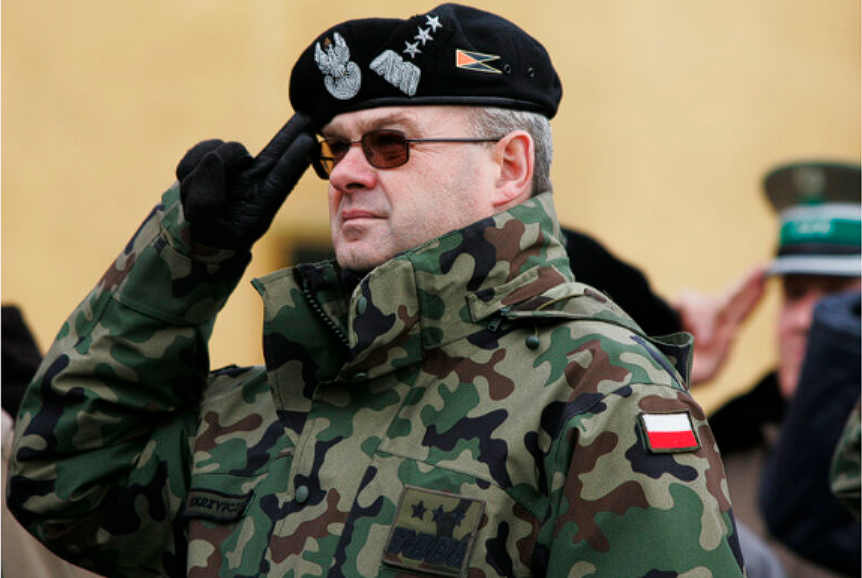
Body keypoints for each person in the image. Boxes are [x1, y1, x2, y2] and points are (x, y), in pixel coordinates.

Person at [7, 5, 745, 577]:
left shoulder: (600, 391)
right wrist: (186, 256)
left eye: (391, 144)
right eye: (336, 148)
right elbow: (63, 484)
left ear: (509, 168)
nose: (348, 174)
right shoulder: (280, 395)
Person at [707, 160, 861, 577]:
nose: (804, 320)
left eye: (834, 295)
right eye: (794, 294)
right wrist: (671, 368)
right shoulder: (723, 447)